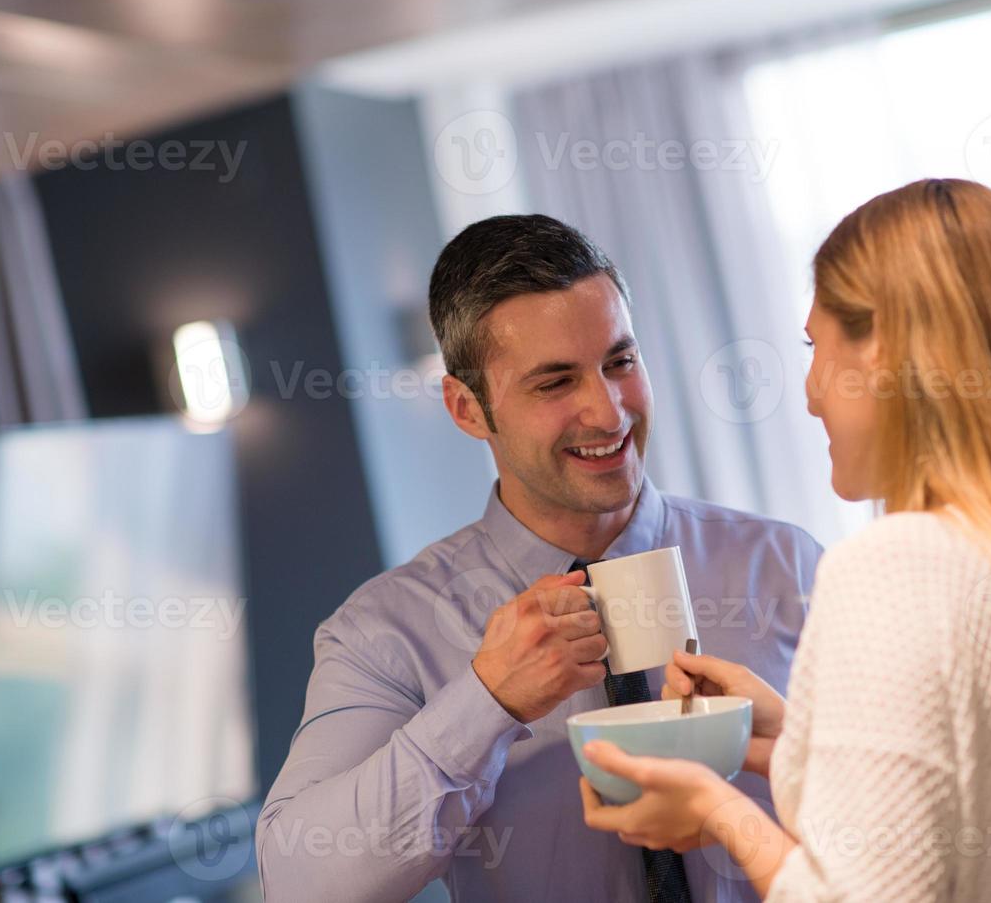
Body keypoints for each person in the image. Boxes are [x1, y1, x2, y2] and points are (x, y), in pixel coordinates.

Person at [579, 179, 991, 902]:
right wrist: (803, 737)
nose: (808, 392)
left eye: (816, 345)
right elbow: (982, 804)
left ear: (889, 353)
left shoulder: (898, 565)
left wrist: (718, 809)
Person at [257, 214, 823, 901]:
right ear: (467, 409)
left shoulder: (785, 566)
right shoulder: (385, 631)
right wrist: (486, 700)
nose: (609, 412)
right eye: (555, 383)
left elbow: (902, 811)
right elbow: (299, 881)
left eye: (620, 361)